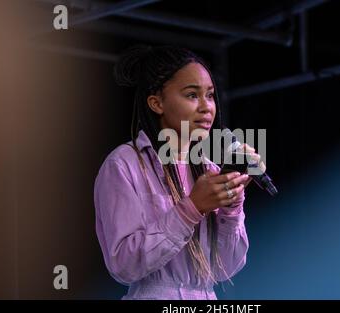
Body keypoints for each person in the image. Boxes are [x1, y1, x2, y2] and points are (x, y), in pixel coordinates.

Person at [94, 45, 257, 300]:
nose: (207, 107)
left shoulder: (210, 170)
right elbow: (124, 265)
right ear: (156, 103)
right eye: (192, 95)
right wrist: (191, 208)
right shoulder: (123, 164)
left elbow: (224, 268)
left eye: (211, 95)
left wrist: (232, 208)